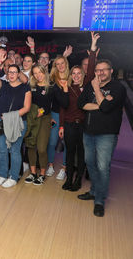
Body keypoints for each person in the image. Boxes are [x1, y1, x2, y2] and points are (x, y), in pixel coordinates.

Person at [77, 59, 126, 217]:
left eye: (104, 70)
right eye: (98, 70)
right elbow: (81, 104)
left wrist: (97, 90)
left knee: (103, 167)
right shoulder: (90, 86)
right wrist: (102, 103)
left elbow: (106, 108)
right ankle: (93, 191)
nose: (100, 73)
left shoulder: (118, 88)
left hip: (106, 134)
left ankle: (99, 200)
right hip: (88, 132)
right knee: (90, 163)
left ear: (111, 71)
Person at [59, 31, 98, 191]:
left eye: (78, 73)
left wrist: (93, 48)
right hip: (68, 125)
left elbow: (91, 69)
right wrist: (61, 126)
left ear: (82, 74)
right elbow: (62, 108)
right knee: (69, 153)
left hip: (83, 126)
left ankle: (78, 181)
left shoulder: (87, 86)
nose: (75, 75)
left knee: (81, 154)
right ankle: (69, 179)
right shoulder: (66, 88)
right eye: (73, 73)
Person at [0, 51, 32, 188]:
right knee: (2, 149)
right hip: (0, 121)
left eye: (15, 72)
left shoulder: (25, 87)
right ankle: (3, 174)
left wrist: (9, 117)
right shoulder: (3, 85)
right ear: (7, 74)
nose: (12, 74)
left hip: (18, 122)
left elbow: (26, 108)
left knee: (15, 150)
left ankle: (14, 176)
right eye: (10, 72)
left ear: (19, 73)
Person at [24, 65, 67, 186]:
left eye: (40, 72)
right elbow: (26, 102)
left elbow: (61, 103)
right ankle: (33, 173)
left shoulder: (52, 87)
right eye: (35, 73)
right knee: (31, 145)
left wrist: (64, 88)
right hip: (32, 118)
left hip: (44, 119)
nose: (38, 75)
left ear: (45, 72)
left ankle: (42, 174)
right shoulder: (31, 86)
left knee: (42, 148)